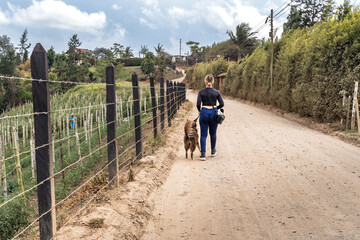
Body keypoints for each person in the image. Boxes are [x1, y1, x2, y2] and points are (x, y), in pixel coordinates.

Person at [196, 74, 224, 161]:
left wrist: (199, 110)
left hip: (204, 112)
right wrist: (216, 108)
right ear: (213, 82)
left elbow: (198, 104)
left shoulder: (201, 92)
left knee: (203, 135)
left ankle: (203, 154)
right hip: (213, 113)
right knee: (213, 133)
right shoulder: (216, 92)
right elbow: (222, 104)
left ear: (205, 81)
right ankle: (213, 151)